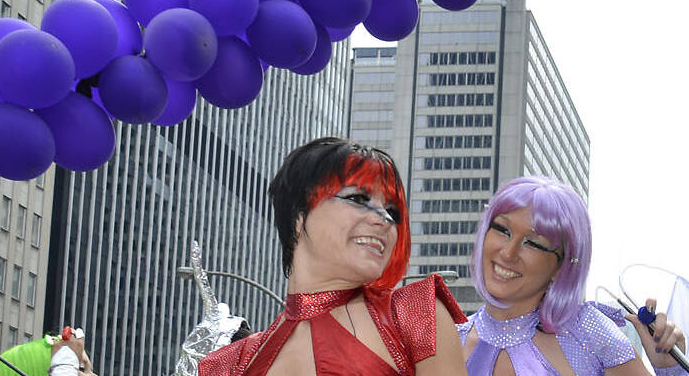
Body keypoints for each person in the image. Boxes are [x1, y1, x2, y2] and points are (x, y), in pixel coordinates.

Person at [199, 137, 468, 375]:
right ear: (299, 215)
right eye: (358, 199)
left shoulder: (416, 314)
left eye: (393, 211)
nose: (385, 219)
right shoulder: (227, 365)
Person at [459, 175, 687, 375]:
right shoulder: (442, 342)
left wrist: (670, 370)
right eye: (502, 230)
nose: (508, 253)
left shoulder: (589, 334)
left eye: (533, 243)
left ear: (563, 265)